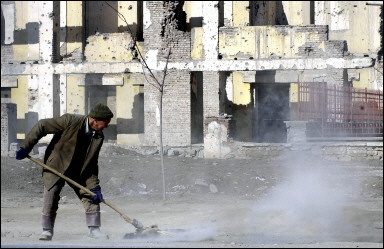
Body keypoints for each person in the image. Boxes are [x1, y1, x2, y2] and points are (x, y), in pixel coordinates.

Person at [15, 103, 114, 240]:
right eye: (106, 122)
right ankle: (47, 230)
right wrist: (26, 147)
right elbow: (42, 125)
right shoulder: (70, 121)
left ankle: (94, 230)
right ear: (95, 120)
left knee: (90, 195)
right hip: (56, 165)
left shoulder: (98, 136)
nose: (107, 126)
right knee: (51, 195)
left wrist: (95, 186)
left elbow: (92, 163)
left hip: (80, 169)